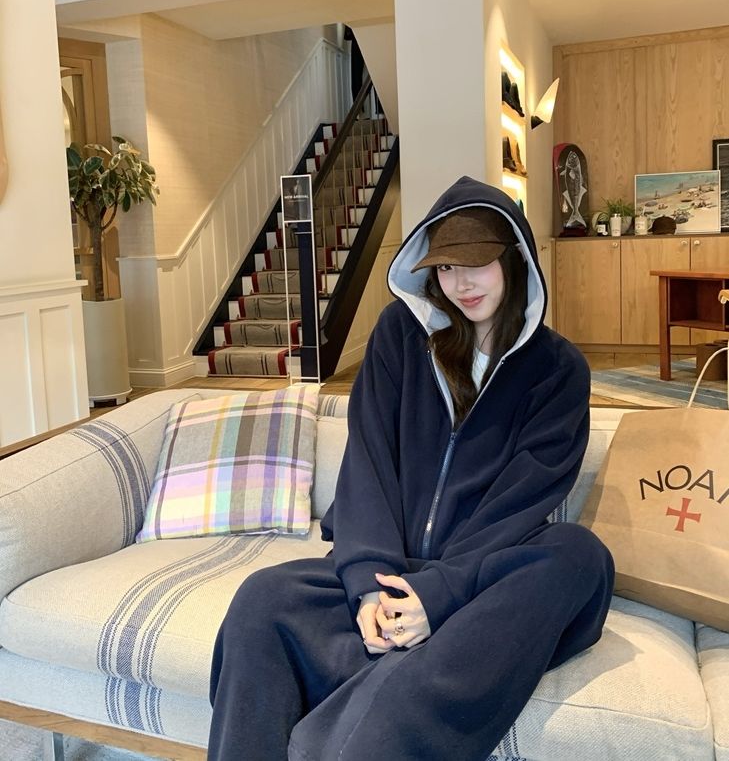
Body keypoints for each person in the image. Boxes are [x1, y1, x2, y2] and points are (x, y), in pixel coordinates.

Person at [208, 175, 615, 761]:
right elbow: (368, 463)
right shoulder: (399, 337)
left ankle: (365, 727)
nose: (461, 283)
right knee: (264, 597)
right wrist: (369, 588)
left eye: (478, 264)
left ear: (515, 259)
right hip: (391, 571)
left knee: (579, 556)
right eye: (446, 268)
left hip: (480, 579)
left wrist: (439, 594)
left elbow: (525, 500)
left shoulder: (558, 369)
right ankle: (409, 662)